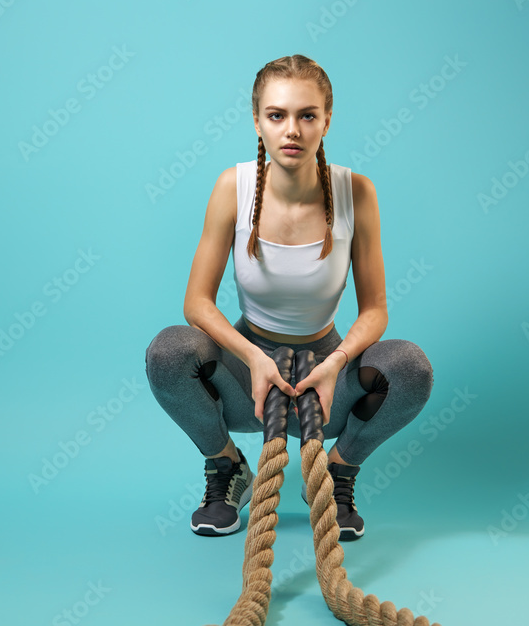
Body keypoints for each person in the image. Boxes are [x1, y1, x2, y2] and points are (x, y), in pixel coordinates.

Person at [144, 55, 434, 540]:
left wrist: (337, 361)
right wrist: (254, 359)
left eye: (307, 115)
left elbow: (376, 310)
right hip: (248, 374)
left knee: (410, 367)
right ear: (257, 120)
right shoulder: (231, 188)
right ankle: (226, 466)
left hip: (325, 379)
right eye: (277, 115)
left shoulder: (356, 193)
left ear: (327, 119)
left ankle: (338, 473)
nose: (292, 130)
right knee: (170, 351)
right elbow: (196, 303)